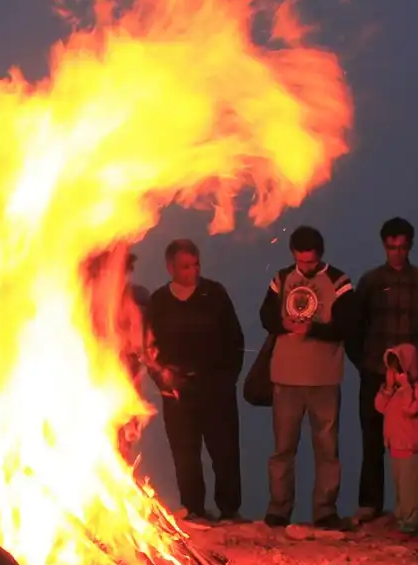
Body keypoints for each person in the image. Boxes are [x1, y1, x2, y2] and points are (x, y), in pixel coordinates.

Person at [349, 218, 418, 532]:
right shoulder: (371, 282)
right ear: (384, 246)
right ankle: (371, 505)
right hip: (376, 373)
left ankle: (409, 513)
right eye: (392, 247)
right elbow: (356, 328)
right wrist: (367, 364)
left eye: (402, 247)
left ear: (410, 246)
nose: (397, 253)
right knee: (372, 440)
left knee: (410, 447)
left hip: (411, 378)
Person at [258, 226, 357, 529]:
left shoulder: (339, 282)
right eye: (301, 262)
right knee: (283, 448)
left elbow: (348, 325)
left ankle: (324, 510)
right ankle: (278, 508)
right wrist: (282, 322)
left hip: (324, 378)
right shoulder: (282, 278)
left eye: (311, 263)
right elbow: (265, 316)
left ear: (320, 255)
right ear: (293, 255)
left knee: (327, 448)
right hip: (286, 376)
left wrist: (312, 329)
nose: (306, 269)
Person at [142, 239, 244, 524]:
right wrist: (163, 379)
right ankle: (195, 509)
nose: (193, 271)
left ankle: (229, 510)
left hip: (216, 390)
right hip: (178, 393)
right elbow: (149, 347)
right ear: (170, 267)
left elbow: (235, 340)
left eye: (196, 264)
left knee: (224, 451)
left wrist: (227, 381)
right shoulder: (160, 301)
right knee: (185, 453)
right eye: (186, 266)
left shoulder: (214, 294)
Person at [373, 344, 418, 521]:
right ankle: (401, 518)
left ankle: (411, 521)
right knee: (400, 486)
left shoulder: (417, 389)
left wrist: (406, 387)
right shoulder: (395, 391)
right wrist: (388, 388)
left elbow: (411, 409)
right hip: (395, 445)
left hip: (409, 445)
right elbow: (380, 406)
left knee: (410, 488)